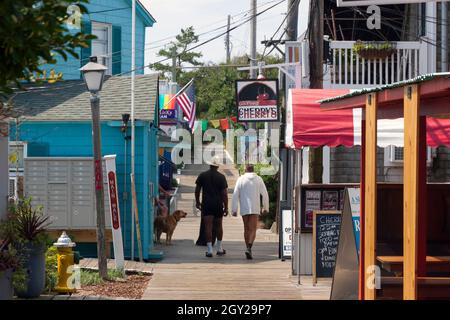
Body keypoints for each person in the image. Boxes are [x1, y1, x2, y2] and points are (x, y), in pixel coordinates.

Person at [231, 165, 269, 259]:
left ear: (245, 170)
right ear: (253, 170)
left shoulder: (241, 179)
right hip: (255, 207)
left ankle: (247, 247)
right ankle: (249, 247)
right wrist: (265, 207)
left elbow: (235, 194)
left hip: (244, 207)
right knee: (253, 229)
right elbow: (265, 193)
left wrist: (234, 209)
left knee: (246, 228)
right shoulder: (258, 179)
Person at [195, 156, 229, 258]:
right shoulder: (221, 177)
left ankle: (209, 250)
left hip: (207, 204)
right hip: (218, 204)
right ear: (218, 166)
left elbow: (197, 190)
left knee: (208, 227)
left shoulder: (202, 175)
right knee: (219, 226)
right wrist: (226, 207)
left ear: (210, 165)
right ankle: (219, 248)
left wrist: (198, 202)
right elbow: (224, 194)